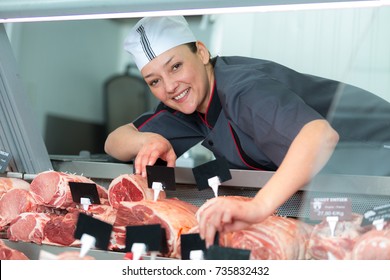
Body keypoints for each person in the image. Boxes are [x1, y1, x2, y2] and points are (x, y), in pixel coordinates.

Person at [104, 16, 390, 247]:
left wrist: (258, 207)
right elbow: (114, 141)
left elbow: (320, 136)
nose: (168, 87)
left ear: (201, 52)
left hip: (379, 165)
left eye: (176, 66)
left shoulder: (243, 88)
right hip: (344, 188)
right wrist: (149, 138)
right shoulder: (187, 102)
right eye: (154, 81)